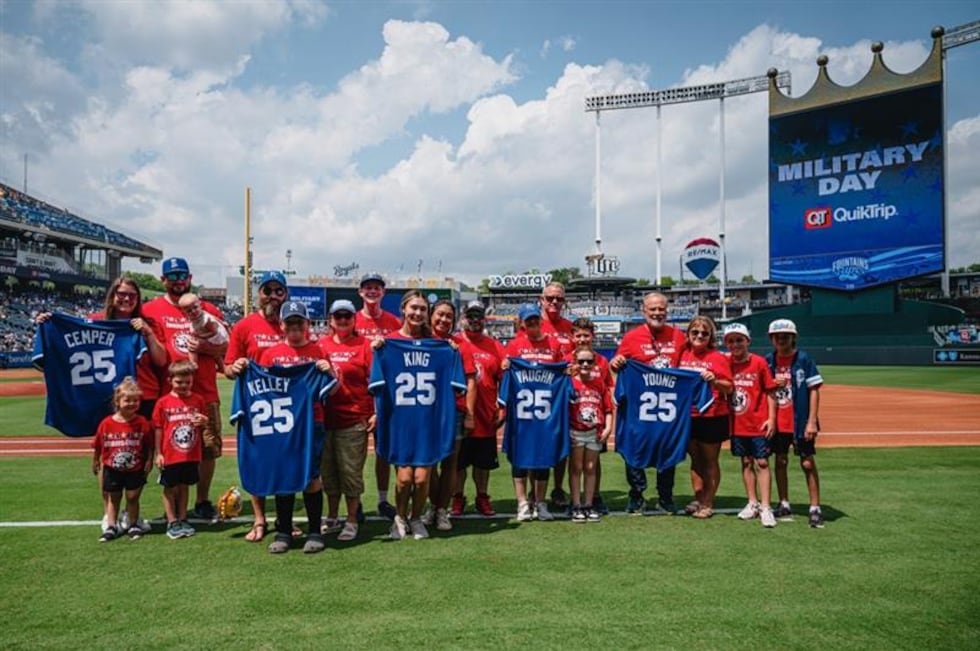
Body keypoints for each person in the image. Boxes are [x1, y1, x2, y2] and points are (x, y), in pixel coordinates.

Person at [35, 276, 167, 536]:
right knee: (110, 457)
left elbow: (161, 360)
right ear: (112, 296)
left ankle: (132, 513)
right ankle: (109, 514)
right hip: (107, 399)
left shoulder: (144, 324)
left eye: (131, 295)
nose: (126, 299)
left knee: (140, 458)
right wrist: (46, 324)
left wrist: (147, 332)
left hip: (144, 396)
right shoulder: (94, 320)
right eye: (121, 294)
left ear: (138, 299)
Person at [370, 290, 466, 540]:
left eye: (422, 309)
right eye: (414, 308)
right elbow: (376, 386)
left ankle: (416, 517)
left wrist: (450, 350)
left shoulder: (442, 348)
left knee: (423, 478)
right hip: (400, 421)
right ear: (403, 309)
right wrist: (378, 349)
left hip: (428, 421)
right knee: (403, 479)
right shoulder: (387, 344)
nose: (417, 313)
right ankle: (399, 517)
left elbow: (457, 381)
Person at [142, 257, 226, 522]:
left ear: (190, 278)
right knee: (171, 451)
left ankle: (201, 500)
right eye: (173, 276)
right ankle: (172, 509)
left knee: (208, 449)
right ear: (163, 280)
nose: (179, 280)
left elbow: (225, 348)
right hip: (169, 395)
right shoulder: (151, 309)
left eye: (183, 276)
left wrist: (202, 349)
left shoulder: (209, 309)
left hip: (205, 392)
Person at [257, 300, 337, 554]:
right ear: (281, 325)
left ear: (307, 324)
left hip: (312, 421)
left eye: (298, 323)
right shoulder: (270, 354)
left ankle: (314, 530)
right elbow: (261, 389)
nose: (294, 327)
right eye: (289, 323)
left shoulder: (318, 351)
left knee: (312, 476)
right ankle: (284, 530)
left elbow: (332, 389)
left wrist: (331, 373)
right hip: (281, 424)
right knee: (284, 475)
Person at [223, 270, 289, 542]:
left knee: (286, 461)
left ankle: (284, 520)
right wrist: (235, 367)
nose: (273, 296)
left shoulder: (293, 323)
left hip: (287, 405)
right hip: (255, 404)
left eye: (279, 291)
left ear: (286, 294)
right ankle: (260, 519)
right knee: (258, 461)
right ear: (259, 293)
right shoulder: (244, 326)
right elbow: (227, 367)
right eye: (267, 290)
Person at [610, 291, 687, 514]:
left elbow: (687, 366)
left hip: (668, 408)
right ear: (644, 311)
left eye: (661, 309)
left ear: (667, 311)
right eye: (652, 309)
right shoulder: (631, 338)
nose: (657, 313)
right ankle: (636, 495)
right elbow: (615, 366)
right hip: (639, 408)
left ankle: (665, 496)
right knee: (634, 450)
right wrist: (616, 363)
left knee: (668, 450)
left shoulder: (678, 337)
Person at [317, 299, 375, 542]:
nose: (342, 321)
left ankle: (351, 519)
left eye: (347, 316)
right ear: (330, 320)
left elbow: (376, 381)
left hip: (353, 417)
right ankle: (332, 516)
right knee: (328, 473)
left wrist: (376, 412)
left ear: (354, 320)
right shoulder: (320, 345)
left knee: (350, 472)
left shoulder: (365, 346)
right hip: (324, 418)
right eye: (338, 316)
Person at [504, 304, 563, 521]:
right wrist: (505, 366)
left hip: (546, 413)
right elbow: (505, 373)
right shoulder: (514, 346)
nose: (533, 323)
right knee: (520, 458)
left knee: (543, 457)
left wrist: (567, 371)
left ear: (541, 320)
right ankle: (522, 503)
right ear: (521, 323)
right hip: (521, 413)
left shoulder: (554, 344)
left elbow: (563, 371)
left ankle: (540, 502)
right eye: (528, 321)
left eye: (535, 319)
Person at [765, 318, 825, 528]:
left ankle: (815, 507)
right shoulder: (768, 361)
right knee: (780, 461)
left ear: (793, 338)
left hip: (800, 422)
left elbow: (814, 390)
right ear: (771, 339)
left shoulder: (803, 359)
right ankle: (783, 502)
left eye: (785, 336)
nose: (781, 340)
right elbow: (765, 390)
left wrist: (811, 422)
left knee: (807, 463)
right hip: (778, 423)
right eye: (777, 336)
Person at [425, 299, 476, 531]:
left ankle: (442, 510)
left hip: (453, 410)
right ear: (431, 315)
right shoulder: (420, 341)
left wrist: (469, 413)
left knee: (450, 463)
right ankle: (434, 505)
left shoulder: (459, 346)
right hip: (425, 410)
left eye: (448, 316)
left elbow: (470, 380)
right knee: (427, 463)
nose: (444, 320)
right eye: (440, 315)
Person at [354, 272, 402, 520]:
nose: (372, 291)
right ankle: (357, 501)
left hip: (387, 396)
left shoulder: (394, 322)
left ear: (383, 292)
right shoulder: (351, 321)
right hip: (359, 395)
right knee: (357, 453)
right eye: (368, 287)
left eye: (377, 288)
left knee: (384, 451)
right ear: (360, 292)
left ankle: (383, 500)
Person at [678, 315, 733, 519]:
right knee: (695, 459)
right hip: (688, 415)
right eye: (695, 332)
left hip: (712, 414)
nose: (699, 336)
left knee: (710, 460)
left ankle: (708, 502)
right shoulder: (682, 355)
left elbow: (730, 386)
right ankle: (699, 498)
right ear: (688, 334)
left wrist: (715, 381)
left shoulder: (717, 357)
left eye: (704, 333)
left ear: (710, 336)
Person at [723, 323, 778, 528]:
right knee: (746, 462)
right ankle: (752, 502)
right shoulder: (725, 362)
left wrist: (771, 418)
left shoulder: (759, 363)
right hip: (737, 423)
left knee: (761, 462)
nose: (735, 344)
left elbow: (770, 391)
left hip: (758, 422)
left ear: (748, 341)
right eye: (730, 341)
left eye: (739, 340)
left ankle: (765, 506)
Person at [453, 300, 505, 517]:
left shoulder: (494, 345)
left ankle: (482, 497)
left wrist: (502, 406)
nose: (474, 320)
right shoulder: (453, 343)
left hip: (485, 415)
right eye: (470, 316)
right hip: (458, 412)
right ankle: (457, 497)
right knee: (458, 461)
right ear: (463, 318)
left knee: (482, 463)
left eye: (478, 317)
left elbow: (505, 378)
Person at [153, 360, 211, 540]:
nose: (184, 385)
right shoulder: (163, 403)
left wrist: (204, 421)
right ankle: (172, 520)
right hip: (170, 454)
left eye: (188, 382)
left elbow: (203, 422)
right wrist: (159, 453)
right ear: (170, 380)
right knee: (169, 487)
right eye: (179, 382)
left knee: (185, 486)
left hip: (190, 452)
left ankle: (183, 518)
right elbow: (158, 428)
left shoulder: (198, 400)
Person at [92, 377, 154, 542]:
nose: (132, 404)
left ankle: (133, 523)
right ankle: (112, 525)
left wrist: (149, 461)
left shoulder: (142, 422)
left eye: (136, 400)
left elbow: (149, 444)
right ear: (117, 401)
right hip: (113, 468)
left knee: (133, 496)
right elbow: (98, 444)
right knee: (114, 497)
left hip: (135, 467)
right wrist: (96, 461)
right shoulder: (106, 423)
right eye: (127, 400)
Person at [566, 317, 614, 514]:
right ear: (572, 337)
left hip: (595, 422)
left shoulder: (601, 361)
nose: (582, 339)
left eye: (586, 335)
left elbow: (608, 386)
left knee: (594, 462)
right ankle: (573, 500)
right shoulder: (567, 359)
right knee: (574, 463)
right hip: (574, 422)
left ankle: (593, 497)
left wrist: (607, 423)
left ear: (593, 336)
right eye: (578, 335)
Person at [538, 282, 575, 510]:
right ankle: (536, 488)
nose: (554, 302)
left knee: (562, 443)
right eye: (550, 298)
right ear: (541, 299)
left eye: (558, 299)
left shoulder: (570, 328)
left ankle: (558, 487)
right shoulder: (531, 323)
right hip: (537, 393)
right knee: (538, 441)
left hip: (562, 393)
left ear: (564, 301)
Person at [178, 292, 228, 373]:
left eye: (195, 307)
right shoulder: (199, 317)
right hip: (215, 338)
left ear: (200, 305)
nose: (193, 311)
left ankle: (193, 364)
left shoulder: (206, 320)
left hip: (217, 338)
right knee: (216, 356)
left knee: (192, 345)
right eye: (189, 311)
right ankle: (222, 368)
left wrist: (202, 337)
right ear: (184, 312)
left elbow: (214, 331)